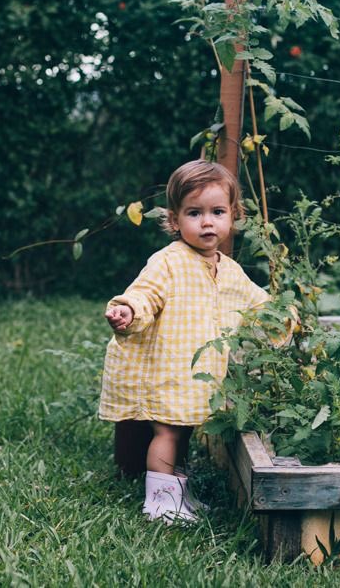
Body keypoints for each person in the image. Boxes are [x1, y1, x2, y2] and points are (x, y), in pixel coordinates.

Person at [98, 159, 270, 525]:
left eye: (217, 211)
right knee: (167, 431)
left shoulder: (230, 269)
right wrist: (128, 310)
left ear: (233, 215)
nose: (207, 222)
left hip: (193, 378)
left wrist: (283, 318)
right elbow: (145, 295)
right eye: (195, 213)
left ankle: (176, 491)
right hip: (165, 370)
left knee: (182, 431)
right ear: (175, 221)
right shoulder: (169, 262)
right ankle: (160, 503)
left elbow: (257, 303)